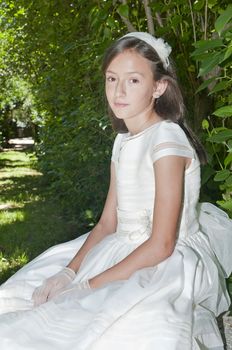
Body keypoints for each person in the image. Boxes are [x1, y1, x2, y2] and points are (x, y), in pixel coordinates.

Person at [0, 31, 231, 350]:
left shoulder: (166, 139)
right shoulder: (122, 141)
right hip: (121, 246)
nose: (119, 91)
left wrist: (88, 285)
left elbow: (162, 243)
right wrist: (69, 273)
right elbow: (108, 223)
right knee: (21, 300)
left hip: (162, 262)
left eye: (133, 80)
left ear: (158, 87)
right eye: (112, 79)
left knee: (96, 328)